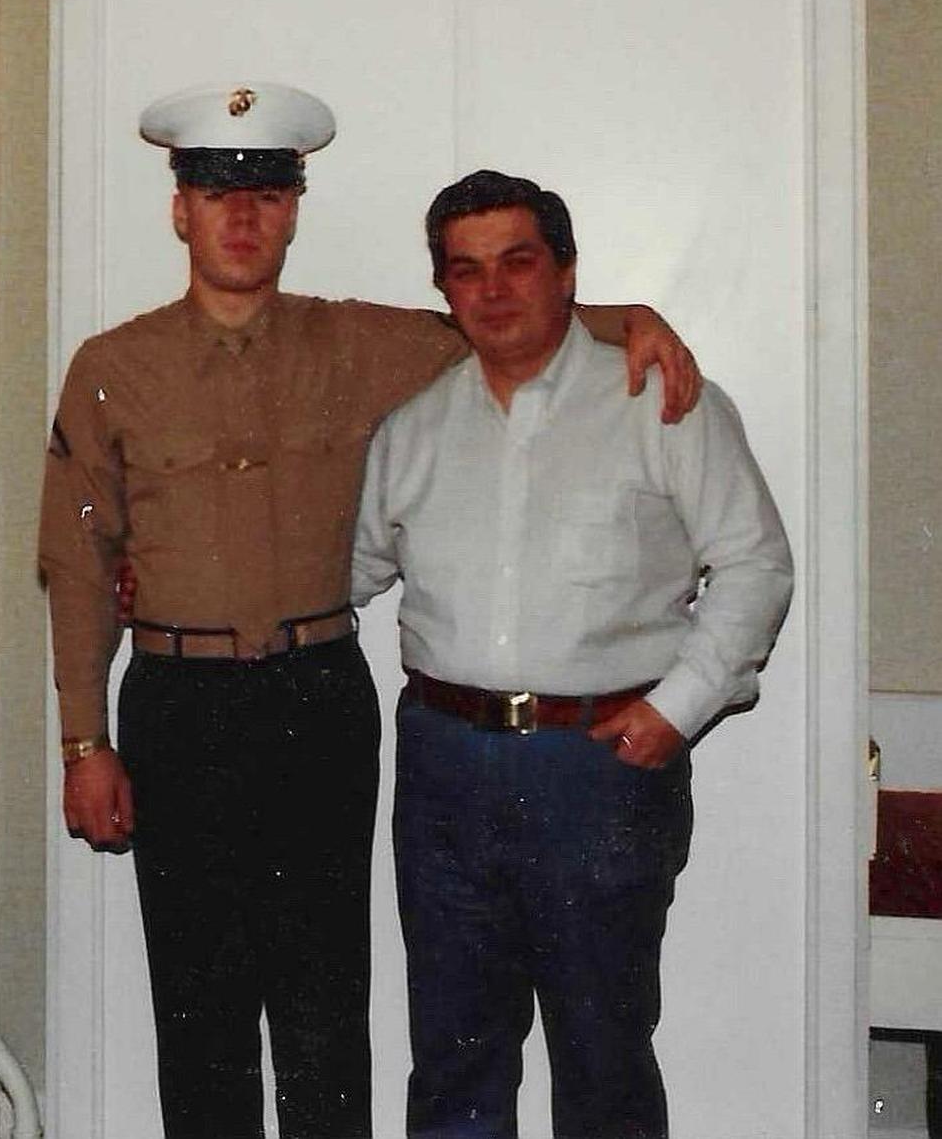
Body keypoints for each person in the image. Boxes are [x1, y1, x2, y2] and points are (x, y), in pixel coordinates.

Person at [39, 87, 702, 1139]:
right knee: (198, 1003)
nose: (243, 215)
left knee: (323, 1002)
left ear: (296, 207)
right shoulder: (113, 370)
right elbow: (77, 565)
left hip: (315, 699)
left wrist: (633, 319)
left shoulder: (361, 342)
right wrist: (87, 738)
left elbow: (504, 321)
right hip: (179, 705)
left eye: (266, 191)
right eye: (217, 192)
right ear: (181, 211)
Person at [351, 168, 794, 1139]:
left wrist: (678, 706)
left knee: (603, 1061)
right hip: (444, 769)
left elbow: (756, 561)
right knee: (455, 1055)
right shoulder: (413, 425)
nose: (495, 289)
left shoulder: (660, 400)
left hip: (593, 768)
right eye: (466, 270)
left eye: (519, 260)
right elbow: (342, 571)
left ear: (565, 271)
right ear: (443, 287)